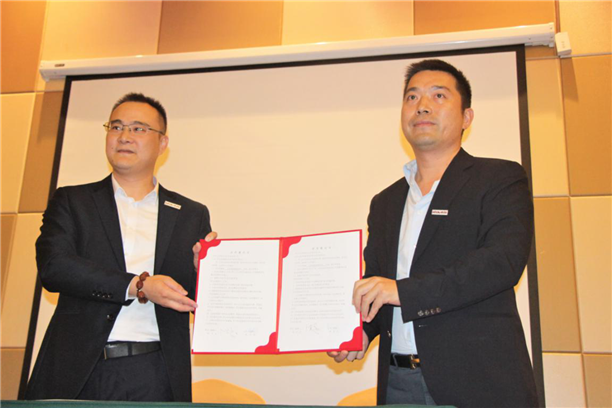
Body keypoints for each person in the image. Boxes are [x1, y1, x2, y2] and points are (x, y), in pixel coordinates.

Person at [328, 59, 538, 407]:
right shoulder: (385, 202)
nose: (422, 106)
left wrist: (402, 291)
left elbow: (501, 263)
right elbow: (378, 281)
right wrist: (359, 332)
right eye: (412, 97)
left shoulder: (499, 179)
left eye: (438, 96)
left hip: (478, 382)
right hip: (397, 382)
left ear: (467, 117)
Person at [26, 93, 215, 402]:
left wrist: (203, 272)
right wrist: (137, 285)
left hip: (157, 370)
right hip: (80, 369)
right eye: (116, 127)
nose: (124, 136)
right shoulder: (73, 201)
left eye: (138, 128)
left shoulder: (190, 214)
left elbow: (196, 297)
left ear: (162, 143)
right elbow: (54, 267)